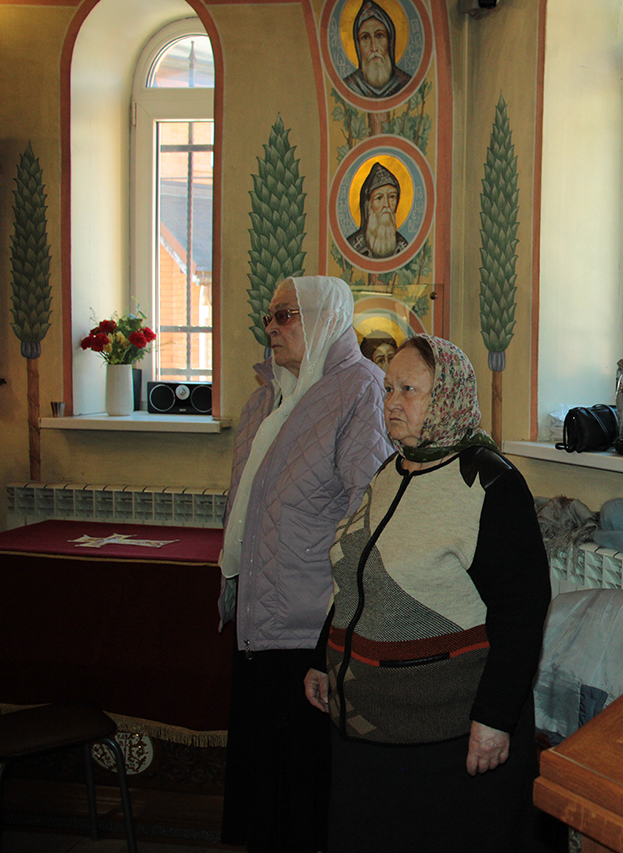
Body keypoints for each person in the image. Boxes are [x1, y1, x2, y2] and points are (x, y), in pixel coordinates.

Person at [304, 334, 551, 852]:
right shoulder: (388, 471)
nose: (392, 402)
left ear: (447, 396)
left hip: (445, 740)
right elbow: (354, 573)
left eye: (409, 390)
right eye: (388, 388)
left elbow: (522, 613)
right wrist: (320, 661)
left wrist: (495, 718)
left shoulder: (490, 483)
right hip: (364, 733)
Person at [218, 276, 393, 851]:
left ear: (324, 317)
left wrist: (334, 631)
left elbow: (365, 515)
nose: (272, 327)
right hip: (258, 618)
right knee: (265, 797)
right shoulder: (266, 398)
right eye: (269, 316)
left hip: (311, 624)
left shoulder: (360, 390)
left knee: (304, 798)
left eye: (286, 315)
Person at [342, 0, 412, 99]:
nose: (374, 48)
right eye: (365, 37)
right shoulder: (349, 86)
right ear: (358, 46)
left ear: (390, 42)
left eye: (379, 36)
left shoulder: (406, 83)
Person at [345, 162, 409, 259]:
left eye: (392, 197)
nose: (386, 204)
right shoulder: (352, 247)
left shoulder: (403, 247)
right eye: (379, 198)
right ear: (368, 205)